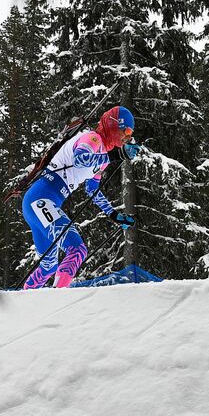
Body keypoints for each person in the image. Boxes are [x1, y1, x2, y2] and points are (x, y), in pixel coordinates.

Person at [21, 106, 137, 289]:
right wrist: (116, 155)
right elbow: (80, 159)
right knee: (77, 250)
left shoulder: (102, 156)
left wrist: (114, 215)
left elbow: (92, 190)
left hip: (39, 203)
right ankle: (56, 303)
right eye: (127, 131)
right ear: (114, 125)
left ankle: (22, 305)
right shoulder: (92, 138)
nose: (127, 137)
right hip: (40, 200)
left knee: (49, 266)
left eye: (131, 135)